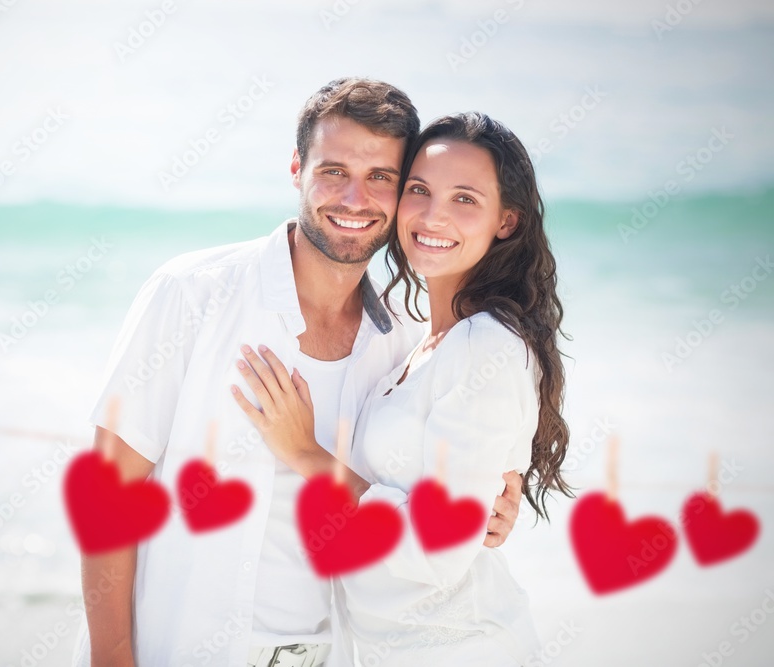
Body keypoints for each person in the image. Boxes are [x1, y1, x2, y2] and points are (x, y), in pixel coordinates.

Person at [74, 80, 524, 667]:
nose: (355, 199)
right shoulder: (193, 293)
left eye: (380, 178)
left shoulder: (406, 344)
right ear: (297, 169)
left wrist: (489, 506)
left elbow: (426, 503)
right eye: (333, 171)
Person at [233, 112, 571, 665]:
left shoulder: (486, 346)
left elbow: (436, 549)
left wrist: (305, 453)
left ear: (506, 221)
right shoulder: (419, 344)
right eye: (419, 190)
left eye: (465, 199)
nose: (434, 215)